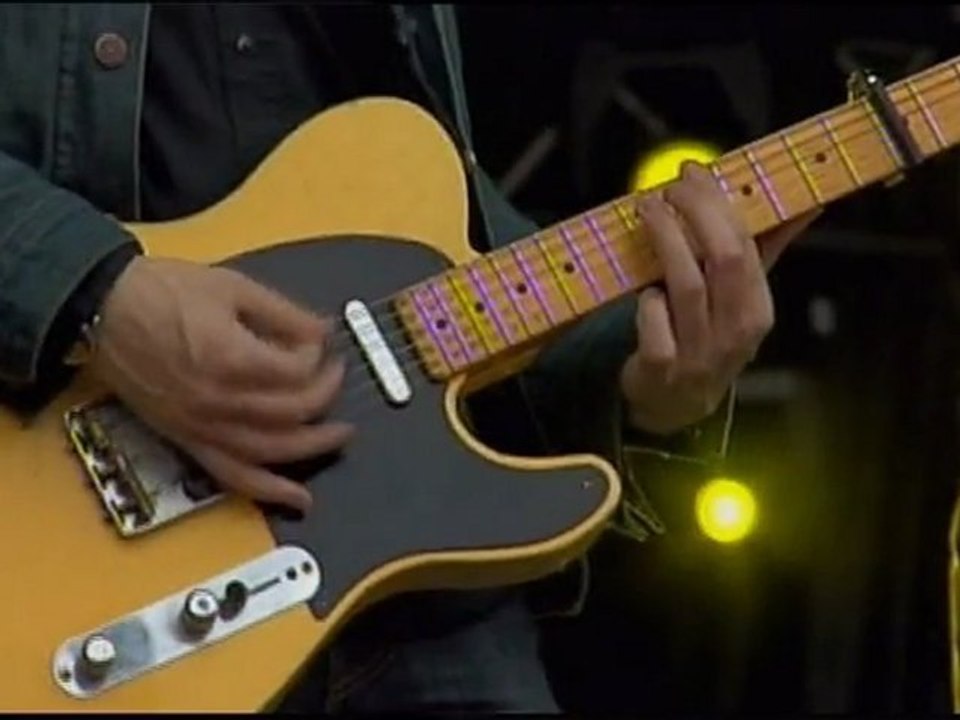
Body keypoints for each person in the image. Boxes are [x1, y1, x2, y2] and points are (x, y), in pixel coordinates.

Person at [0, 3, 816, 714]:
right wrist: (98, 294)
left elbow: (427, 232)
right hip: (80, 543)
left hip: (413, 587)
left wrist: (642, 375)